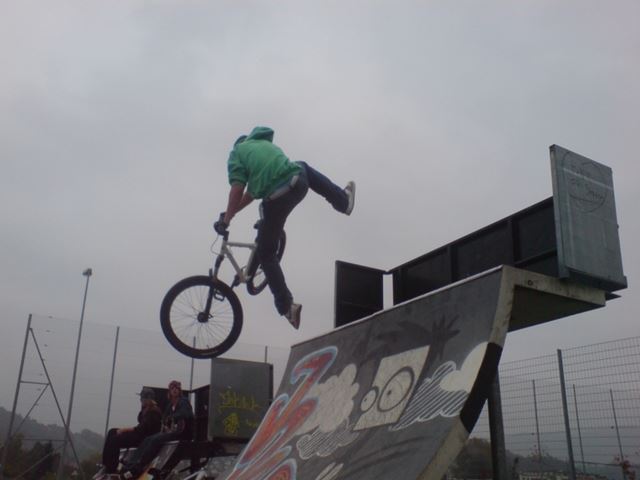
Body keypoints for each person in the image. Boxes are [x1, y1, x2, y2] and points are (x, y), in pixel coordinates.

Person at [214, 126, 355, 329]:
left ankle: (287, 306)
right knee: (302, 165)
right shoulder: (260, 145)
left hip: (277, 199)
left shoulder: (237, 153)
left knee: (266, 253)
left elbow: (237, 190)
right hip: (298, 180)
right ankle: (343, 202)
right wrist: (231, 212)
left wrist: (226, 221)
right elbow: (249, 195)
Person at [120, 380, 193, 479]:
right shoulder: (170, 405)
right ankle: (131, 464)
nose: (175, 390)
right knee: (148, 439)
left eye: (177, 388)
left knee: (156, 440)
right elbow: (164, 417)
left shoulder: (183, 401)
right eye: (172, 388)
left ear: (180, 391)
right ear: (170, 391)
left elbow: (186, 413)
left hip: (182, 433)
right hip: (172, 432)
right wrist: (165, 423)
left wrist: (172, 417)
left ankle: (139, 467)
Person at [94, 387, 161, 477]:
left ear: (148, 399)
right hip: (139, 434)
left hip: (143, 438)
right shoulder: (146, 409)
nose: (140, 400)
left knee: (115, 440)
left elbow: (141, 429)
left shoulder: (154, 412)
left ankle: (112, 468)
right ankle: (106, 463)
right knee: (112, 431)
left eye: (142, 398)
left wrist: (124, 430)